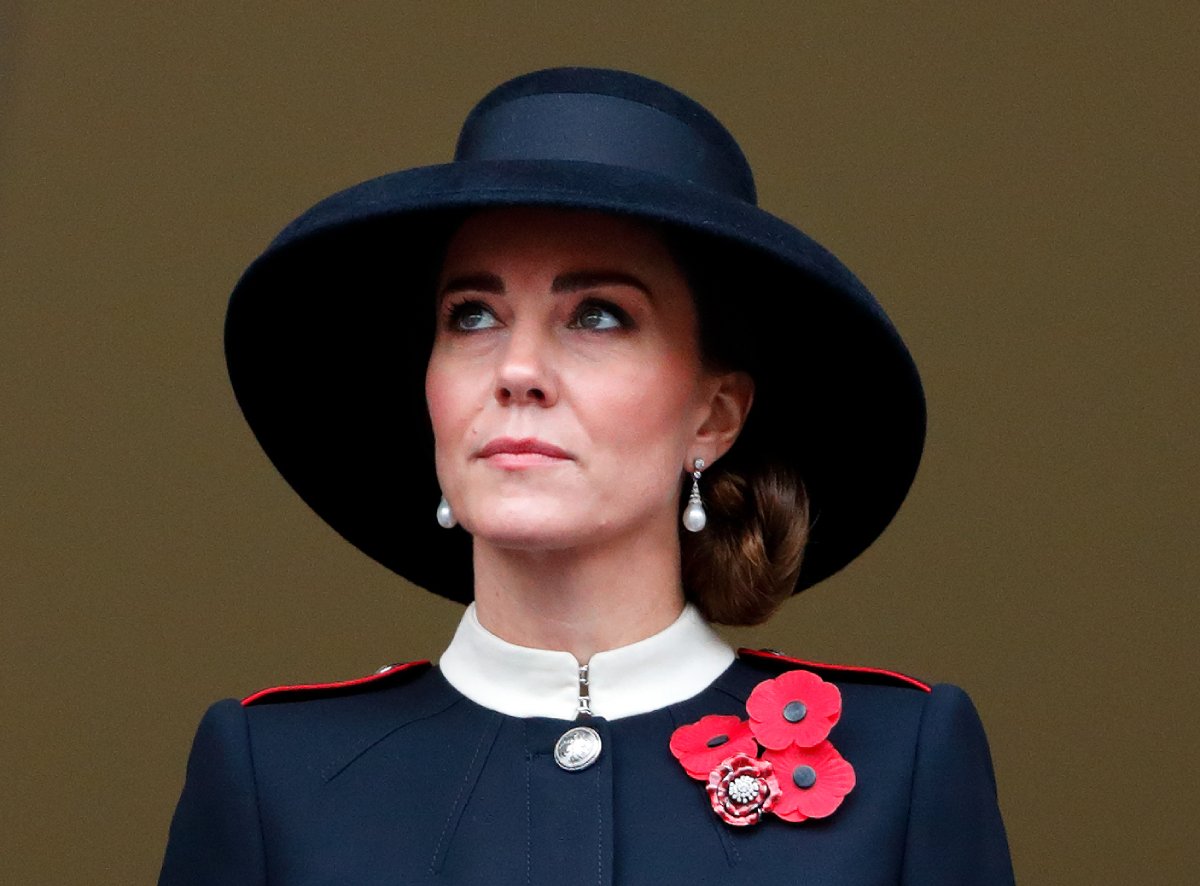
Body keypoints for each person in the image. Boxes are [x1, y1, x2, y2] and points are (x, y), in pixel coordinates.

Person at [160, 67, 1014, 884]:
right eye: (473, 316)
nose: (517, 368)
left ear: (714, 416)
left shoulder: (900, 766)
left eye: (598, 315)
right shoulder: (276, 776)